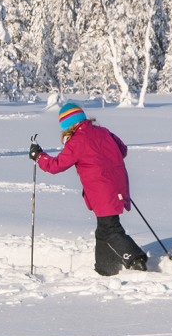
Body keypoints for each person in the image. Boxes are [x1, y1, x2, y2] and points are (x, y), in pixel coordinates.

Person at [31, 102, 149, 276]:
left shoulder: (77, 142)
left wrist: (39, 156)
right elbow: (122, 150)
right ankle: (105, 268)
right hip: (117, 183)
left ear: (68, 125)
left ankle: (136, 259)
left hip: (102, 190)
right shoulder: (103, 132)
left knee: (110, 229)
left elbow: (56, 165)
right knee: (103, 231)